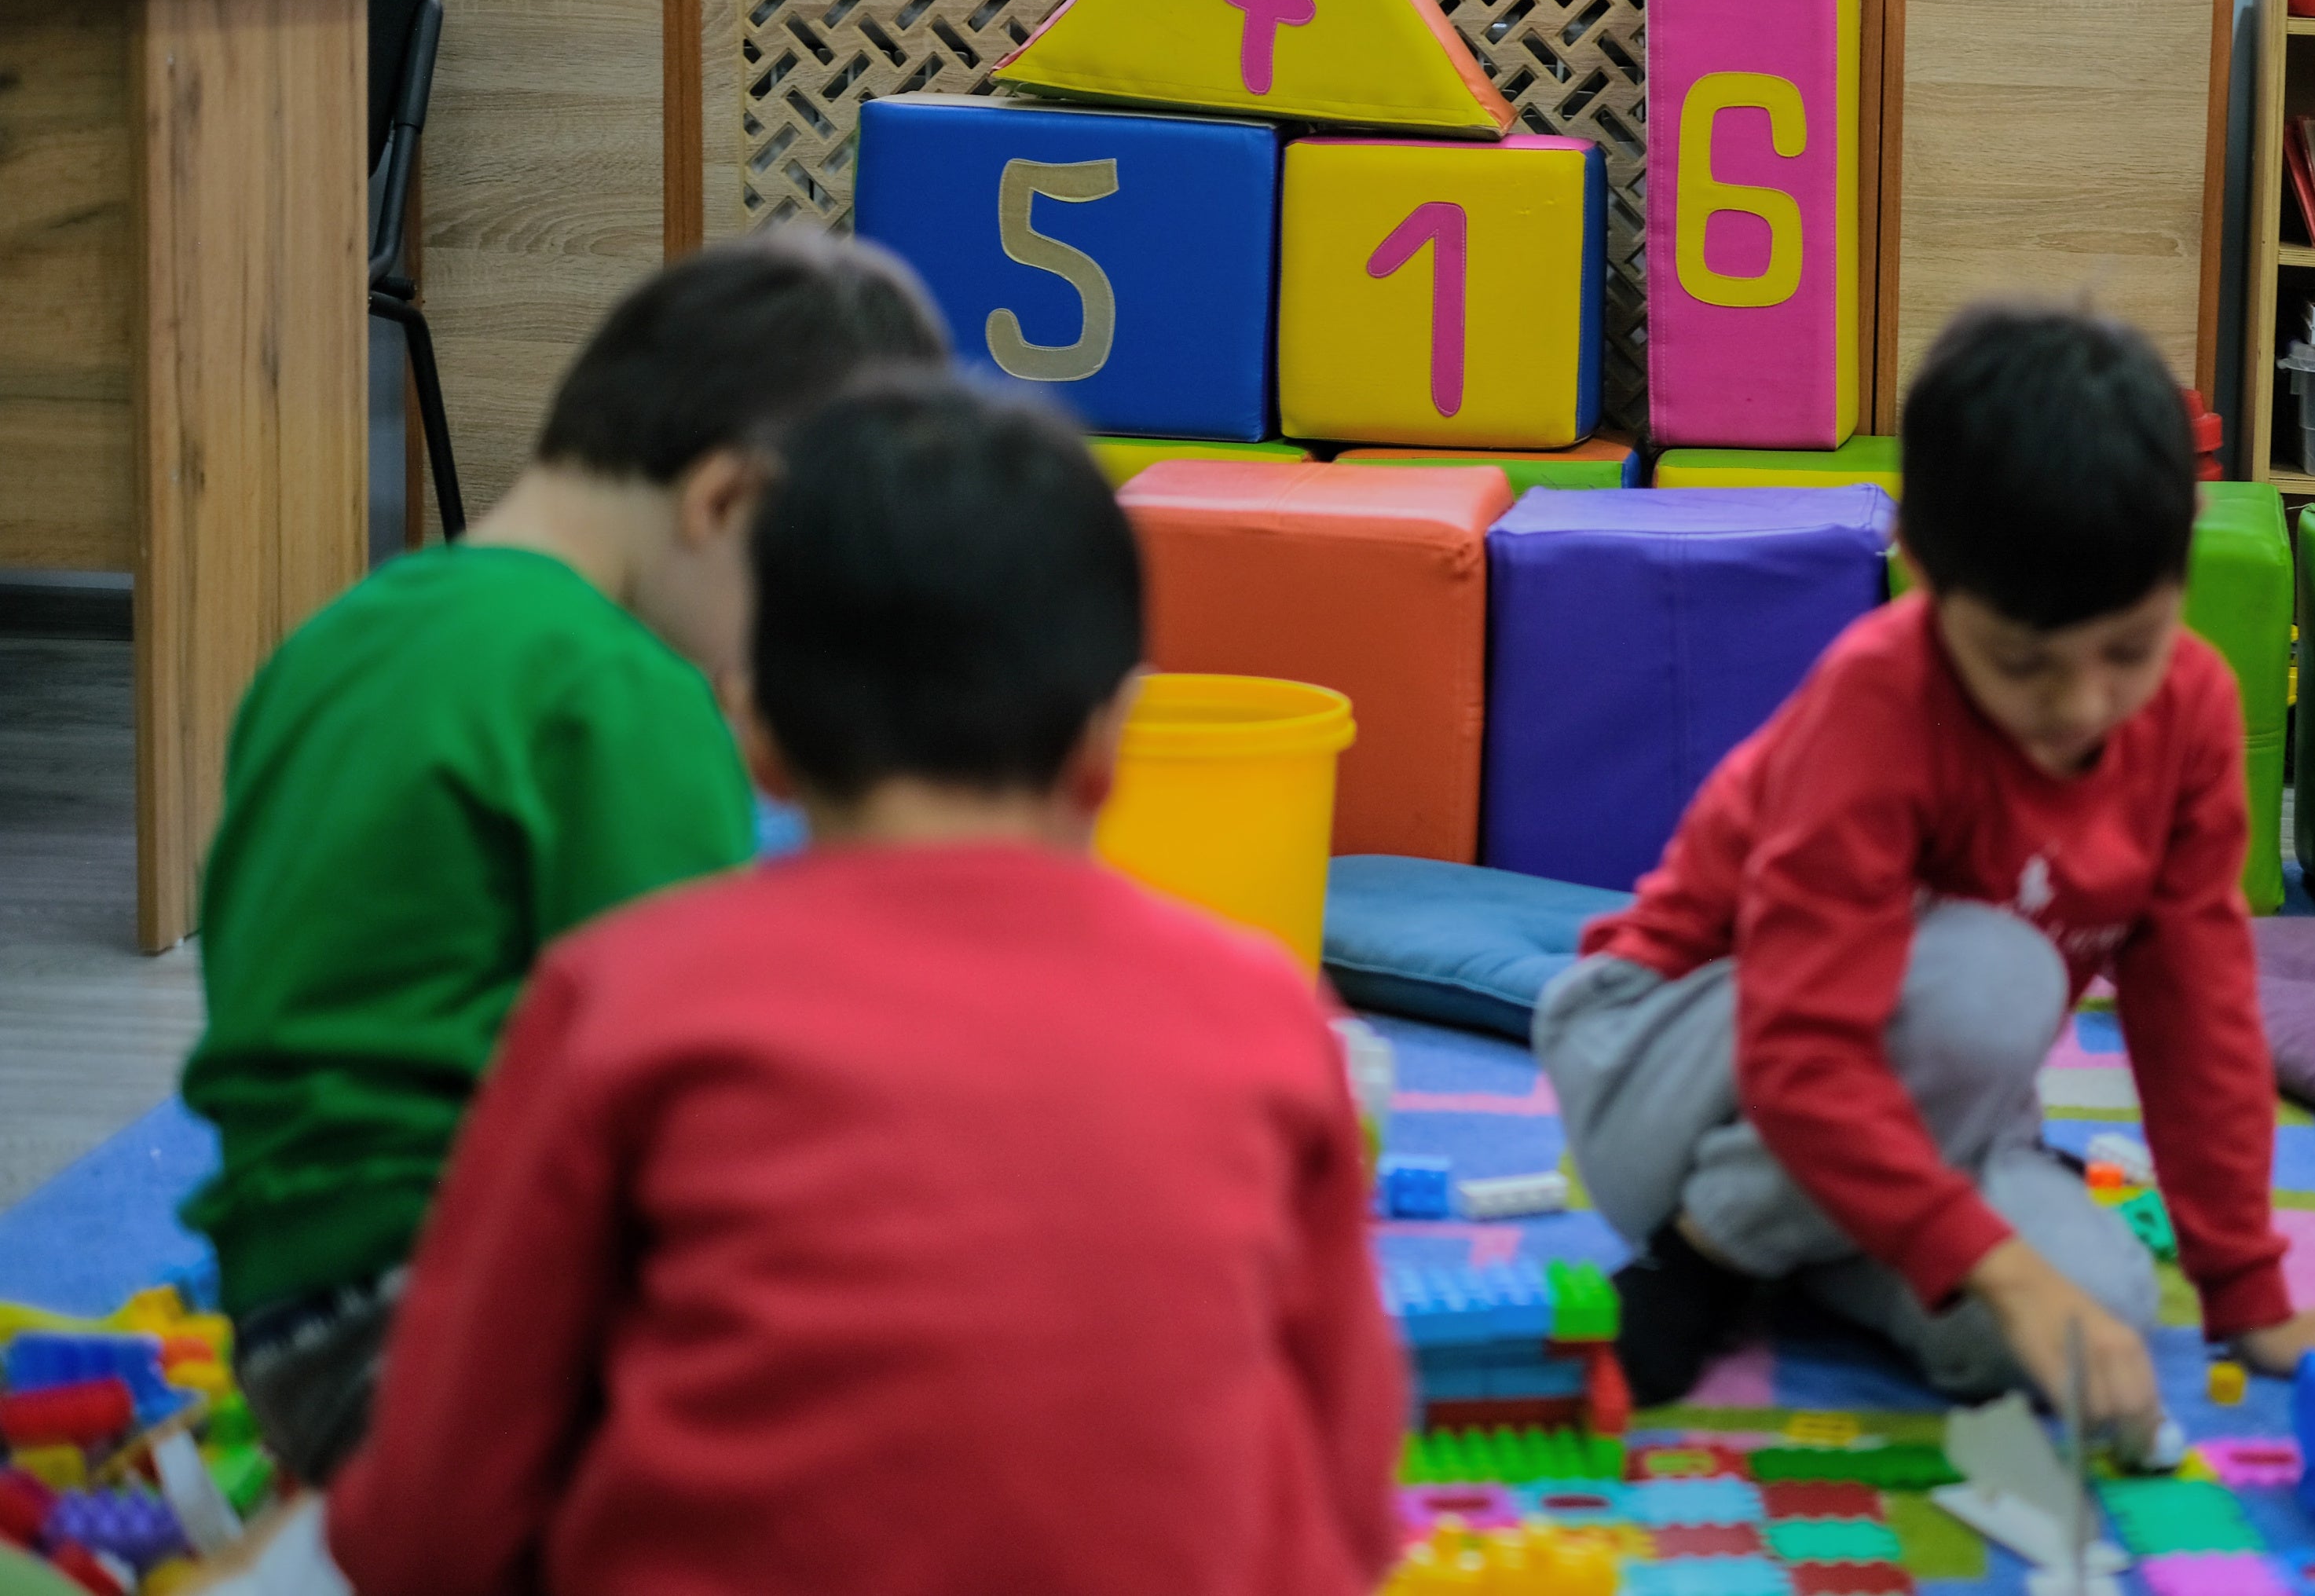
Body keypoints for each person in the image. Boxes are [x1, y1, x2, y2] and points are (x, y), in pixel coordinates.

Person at [322, 376, 1405, 1596]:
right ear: (1109, 743)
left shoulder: (621, 997)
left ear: (756, 732)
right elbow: (1353, 1506)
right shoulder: (1265, 1011)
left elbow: (427, 1519)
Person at [1537, 304, 2315, 1444]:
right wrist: (1998, 1265)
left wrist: (2250, 1302)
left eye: (2128, 650)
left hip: (1926, 1108)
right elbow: (1804, 1055)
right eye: (2023, 663)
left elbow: (2197, 1015)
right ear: (1924, 581)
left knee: (2099, 1308)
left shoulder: (2191, 710)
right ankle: (1699, 1260)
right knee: (1991, 981)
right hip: (1669, 1072)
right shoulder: (1879, 700)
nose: (2085, 703)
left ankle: (1812, 1249)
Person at [181, 232, 950, 1483]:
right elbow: (707, 1102)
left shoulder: (348, 632)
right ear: (724, 504)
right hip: (452, 1345)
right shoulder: (618, 690)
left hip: (284, 1324)